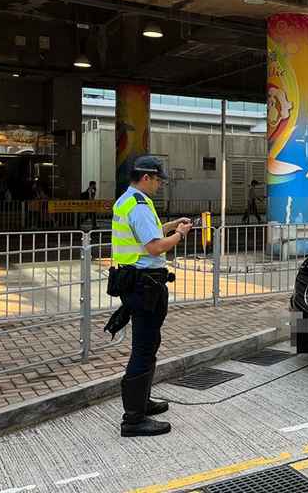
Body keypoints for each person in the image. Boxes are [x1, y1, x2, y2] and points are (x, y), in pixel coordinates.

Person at [111, 156, 192, 437]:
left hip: (136, 283)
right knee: (144, 347)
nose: (160, 184)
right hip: (145, 285)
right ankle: (133, 419)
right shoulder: (140, 206)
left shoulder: (127, 201)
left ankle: (142, 402)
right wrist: (179, 235)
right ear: (146, 178)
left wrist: (171, 225)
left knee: (148, 342)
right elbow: (155, 247)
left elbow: (146, 236)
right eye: (158, 179)